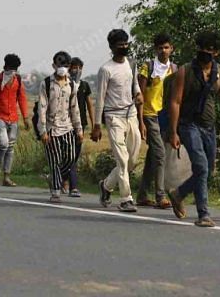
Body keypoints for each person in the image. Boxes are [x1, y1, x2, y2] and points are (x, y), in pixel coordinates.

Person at [167, 31, 220, 228]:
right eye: (201, 48)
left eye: (209, 50)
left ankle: (179, 193)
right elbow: (175, 101)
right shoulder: (185, 71)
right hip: (188, 124)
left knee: (208, 171)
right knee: (201, 166)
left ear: (216, 52)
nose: (204, 53)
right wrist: (173, 132)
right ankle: (204, 214)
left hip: (209, 126)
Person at [93, 29, 143, 213]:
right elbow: (100, 98)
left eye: (125, 43)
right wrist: (97, 125)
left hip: (131, 115)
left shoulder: (131, 63)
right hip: (113, 117)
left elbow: (134, 84)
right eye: (119, 44)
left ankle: (106, 186)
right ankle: (126, 199)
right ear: (112, 47)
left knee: (132, 160)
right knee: (122, 159)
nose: (123, 47)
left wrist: (138, 94)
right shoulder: (106, 69)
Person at [136, 34, 177, 209]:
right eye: (160, 48)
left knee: (153, 156)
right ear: (156, 49)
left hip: (164, 116)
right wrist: (140, 121)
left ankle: (142, 194)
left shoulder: (174, 69)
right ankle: (160, 195)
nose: (163, 51)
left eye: (166, 47)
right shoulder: (148, 67)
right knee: (160, 154)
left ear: (171, 49)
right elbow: (140, 95)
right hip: (149, 114)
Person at [37, 51, 84, 203]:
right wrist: (43, 130)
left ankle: (53, 177)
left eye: (65, 65)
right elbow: (42, 108)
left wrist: (79, 129)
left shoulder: (72, 85)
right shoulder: (47, 83)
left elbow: (75, 108)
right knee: (54, 160)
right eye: (59, 65)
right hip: (51, 128)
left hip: (68, 127)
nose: (62, 68)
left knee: (70, 159)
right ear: (54, 65)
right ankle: (56, 191)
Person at [0, 53, 29, 187]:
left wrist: (26, 117)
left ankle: (6, 176)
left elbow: (22, 99)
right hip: (0, 117)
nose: (12, 71)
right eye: (10, 68)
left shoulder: (18, 80)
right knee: (4, 144)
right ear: (5, 66)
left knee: (10, 147)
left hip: (14, 119)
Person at [64, 57, 94, 198]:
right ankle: (72, 186)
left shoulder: (85, 86)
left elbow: (89, 105)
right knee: (69, 155)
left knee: (74, 156)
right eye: (74, 67)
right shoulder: (65, 84)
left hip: (81, 125)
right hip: (66, 125)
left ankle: (63, 178)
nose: (76, 70)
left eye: (79, 67)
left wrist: (95, 124)